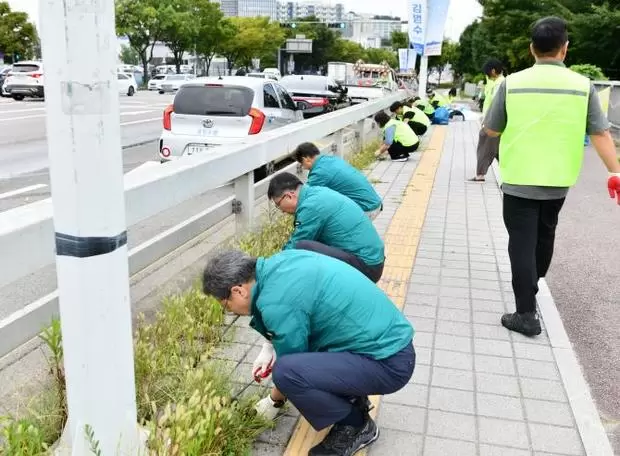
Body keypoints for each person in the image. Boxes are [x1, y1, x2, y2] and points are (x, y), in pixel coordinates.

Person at [202, 249, 415, 456]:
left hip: (388, 362)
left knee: (287, 373)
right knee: (305, 356)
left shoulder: (276, 303)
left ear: (238, 291)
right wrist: (270, 346)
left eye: (226, 304)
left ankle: (357, 426)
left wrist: (273, 401)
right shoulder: (282, 262)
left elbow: (292, 365)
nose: (228, 311)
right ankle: (353, 398)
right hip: (388, 342)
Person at [484, 16, 620, 336]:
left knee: (520, 242)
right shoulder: (582, 86)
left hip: (519, 177)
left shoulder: (512, 83)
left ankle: (526, 314)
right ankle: (533, 282)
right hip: (559, 178)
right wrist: (615, 170)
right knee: (545, 234)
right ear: (564, 49)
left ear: (532, 49)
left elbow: (491, 128)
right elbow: (600, 133)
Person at [267, 172, 385, 283]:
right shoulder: (317, 192)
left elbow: (295, 245)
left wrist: (270, 267)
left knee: (302, 246)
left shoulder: (311, 206)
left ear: (289, 196)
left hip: (367, 267)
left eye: (278, 205)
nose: (281, 211)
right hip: (372, 259)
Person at [294, 142, 383, 218]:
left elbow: (305, 197)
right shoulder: (332, 159)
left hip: (366, 209)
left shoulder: (319, 172)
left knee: (329, 227)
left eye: (302, 164)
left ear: (306, 159)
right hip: (374, 203)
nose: (304, 168)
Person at [469, 58, 505, 182]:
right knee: (498, 149)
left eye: (487, 73)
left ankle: (480, 174)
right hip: (493, 120)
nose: (487, 76)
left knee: (485, 145)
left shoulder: (500, 84)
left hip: (493, 122)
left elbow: (496, 104)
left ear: (493, 71)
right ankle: (510, 174)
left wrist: (488, 121)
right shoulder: (496, 82)